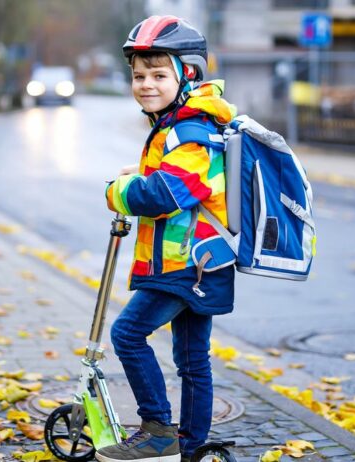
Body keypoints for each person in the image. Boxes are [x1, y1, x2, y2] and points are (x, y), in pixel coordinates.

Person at [96, 15, 237, 462]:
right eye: (139, 75)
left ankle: (157, 428)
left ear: (188, 75)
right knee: (194, 360)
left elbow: (167, 193)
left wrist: (117, 191)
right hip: (201, 262)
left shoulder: (193, 131)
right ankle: (191, 448)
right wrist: (139, 175)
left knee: (128, 334)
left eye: (159, 75)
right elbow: (177, 183)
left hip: (184, 266)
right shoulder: (176, 125)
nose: (145, 84)